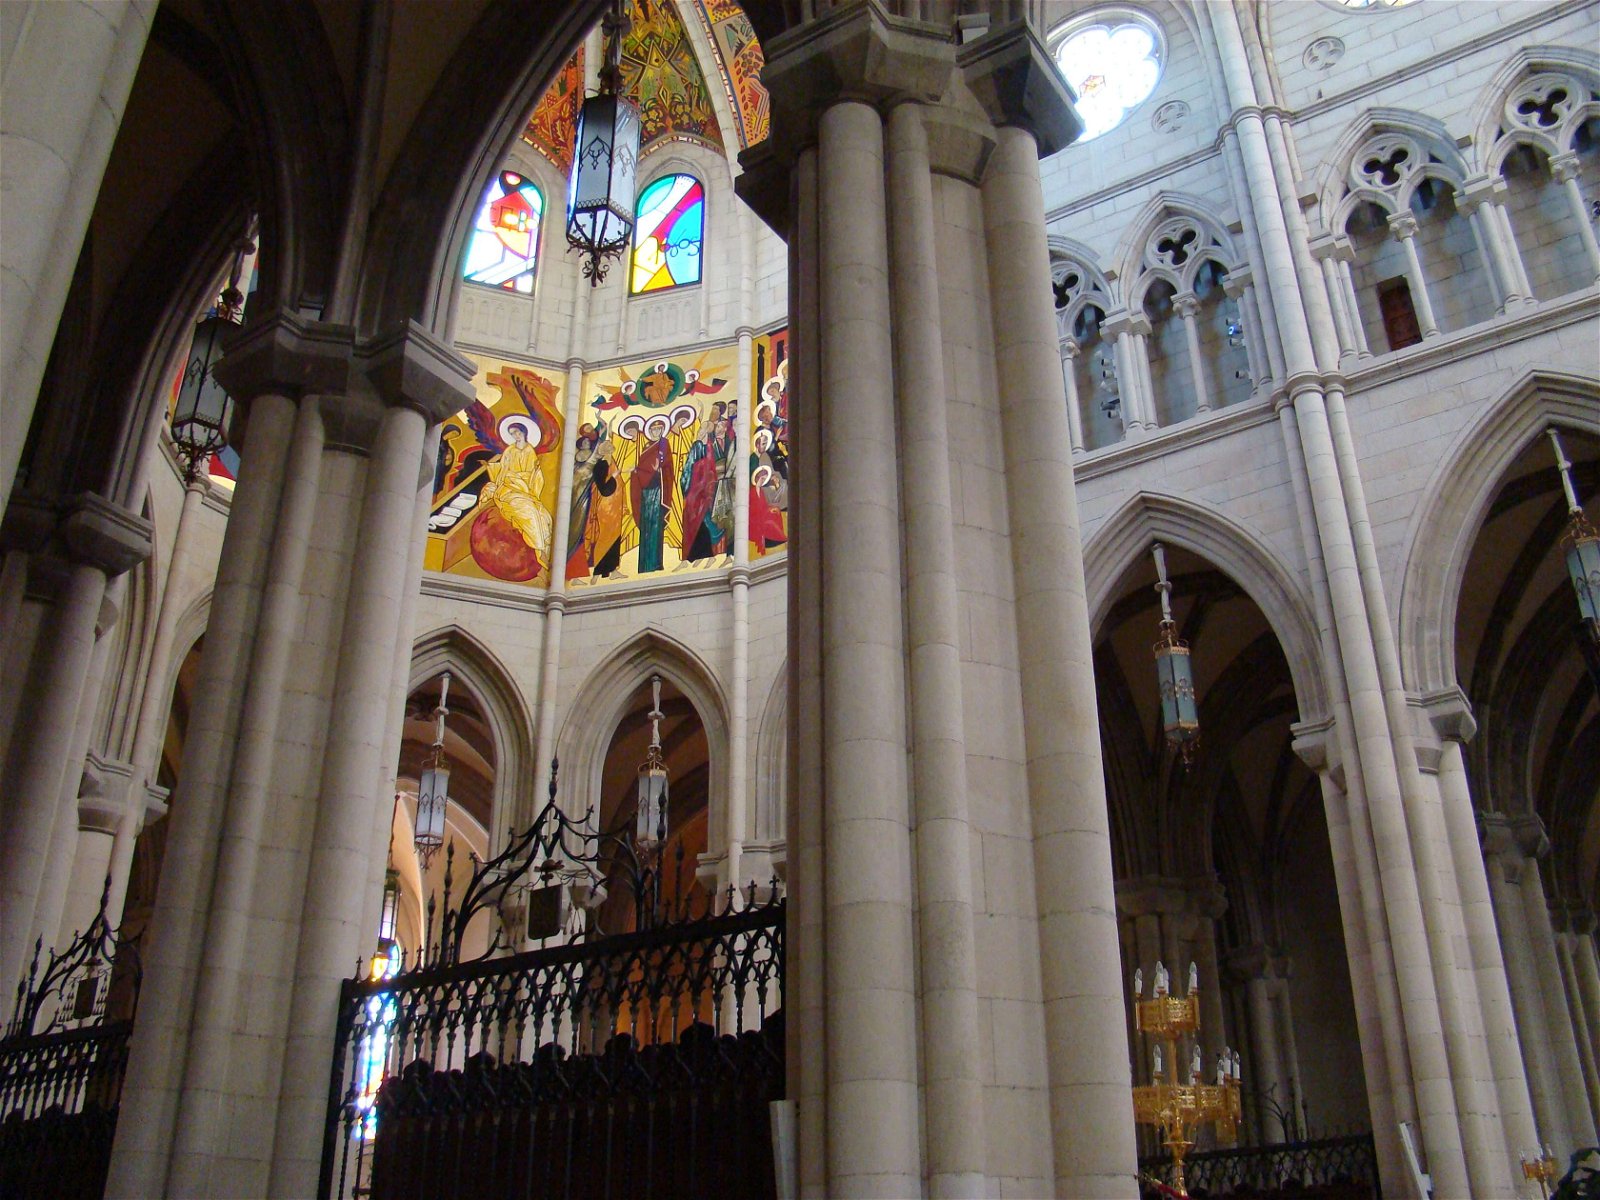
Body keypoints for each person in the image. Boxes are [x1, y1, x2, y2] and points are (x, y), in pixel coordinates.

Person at [479, 414, 552, 567]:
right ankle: (540, 549)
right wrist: (490, 466)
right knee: (528, 513)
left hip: (525, 490)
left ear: (524, 432)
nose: (516, 436)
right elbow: (503, 470)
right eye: (513, 434)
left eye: (518, 433)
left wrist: (535, 473)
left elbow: (534, 475)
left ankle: (547, 547)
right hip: (508, 490)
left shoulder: (530, 451)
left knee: (544, 516)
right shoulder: (510, 451)